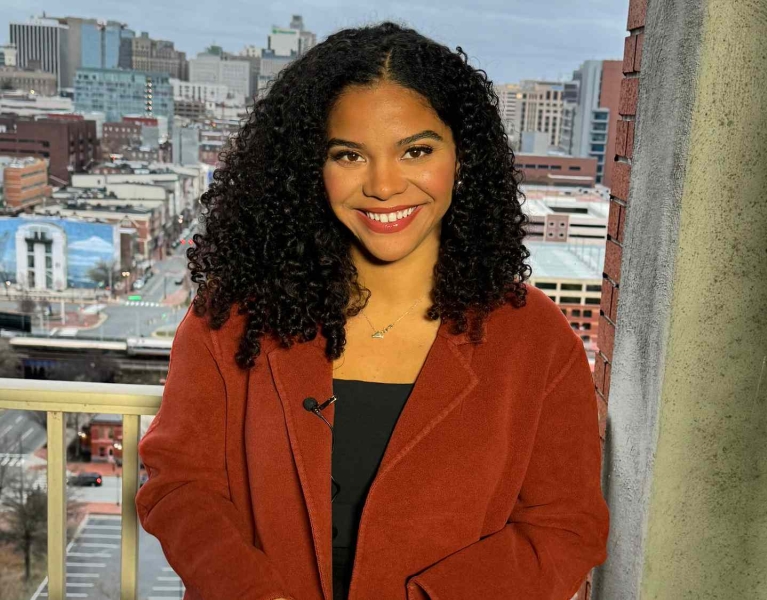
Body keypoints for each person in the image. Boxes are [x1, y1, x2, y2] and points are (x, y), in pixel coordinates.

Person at [135, 20, 609, 600]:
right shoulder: (231, 317)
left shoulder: (535, 337)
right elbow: (179, 487)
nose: (384, 185)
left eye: (416, 150)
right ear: (312, 168)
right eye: (350, 154)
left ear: (464, 157)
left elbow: (565, 529)